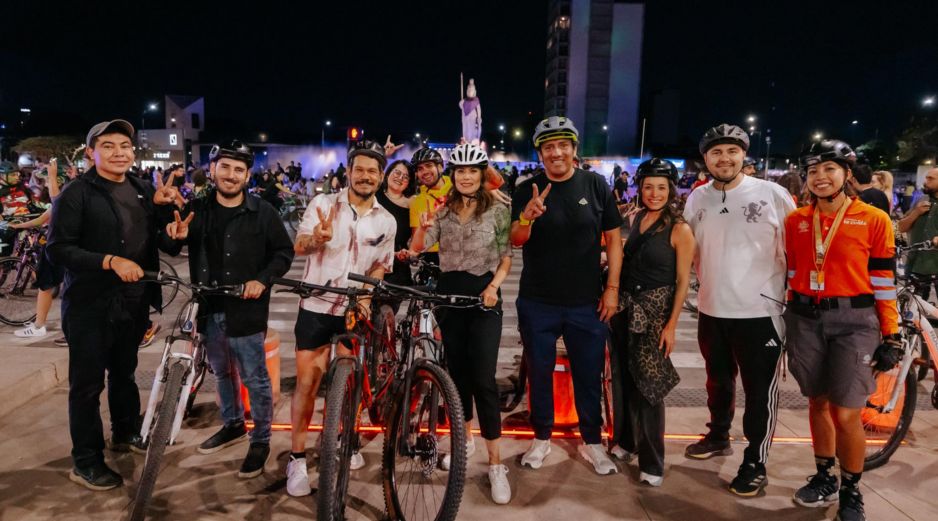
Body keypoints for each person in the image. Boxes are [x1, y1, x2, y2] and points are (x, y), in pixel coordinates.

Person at [46, 119, 178, 490]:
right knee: (87, 386)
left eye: (125, 145)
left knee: (125, 372)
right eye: (108, 146)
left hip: (133, 303)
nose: (119, 152)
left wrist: (173, 229)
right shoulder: (75, 193)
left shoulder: (141, 188)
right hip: (90, 306)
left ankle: (125, 432)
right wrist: (109, 261)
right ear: (92, 153)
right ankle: (86, 461)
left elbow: (160, 242)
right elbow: (58, 249)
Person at [164, 140, 294, 478]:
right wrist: (175, 235)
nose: (231, 175)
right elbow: (170, 244)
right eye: (225, 167)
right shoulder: (197, 208)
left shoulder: (262, 211)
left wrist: (261, 280)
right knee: (222, 372)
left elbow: (283, 253)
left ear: (247, 175)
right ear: (213, 170)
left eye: (239, 169)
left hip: (246, 309)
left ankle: (261, 439)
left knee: (254, 377)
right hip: (208, 307)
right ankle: (233, 423)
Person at [784, 139, 897, 521]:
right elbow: (793, 272)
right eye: (812, 171)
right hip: (805, 320)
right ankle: (824, 477)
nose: (820, 177)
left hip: (855, 322)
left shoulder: (873, 219)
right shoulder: (796, 221)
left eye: (829, 169)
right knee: (816, 402)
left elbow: (883, 281)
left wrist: (892, 334)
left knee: (846, 412)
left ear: (846, 174)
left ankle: (851, 491)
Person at [681, 123, 795, 496]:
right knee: (717, 381)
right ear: (705, 159)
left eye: (732, 151)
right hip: (712, 309)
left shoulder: (772, 194)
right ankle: (718, 435)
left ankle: (755, 462)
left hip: (760, 313)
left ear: (744, 154)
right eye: (716, 152)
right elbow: (688, 249)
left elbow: (794, 250)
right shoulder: (697, 198)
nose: (724, 158)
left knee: (759, 392)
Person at [510, 116, 623, 475]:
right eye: (548, 147)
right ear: (540, 153)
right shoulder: (526, 189)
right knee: (539, 372)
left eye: (562, 145)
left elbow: (614, 240)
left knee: (589, 375)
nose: (556, 152)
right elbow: (515, 240)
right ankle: (541, 437)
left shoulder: (595, 185)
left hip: (585, 302)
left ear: (574, 149)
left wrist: (612, 289)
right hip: (537, 301)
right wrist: (527, 217)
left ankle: (592, 441)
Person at [286, 140, 396, 497]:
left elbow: (380, 266)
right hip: (316, 306)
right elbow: (299, 246)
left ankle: (342, 437)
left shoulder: (387, 220)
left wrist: (365, 298)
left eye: (372, 171)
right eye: (359, 169)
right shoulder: (322, 204)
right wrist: (317, 239)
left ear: (381, 177)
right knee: (307, 384)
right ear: (348, 172)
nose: (365, 176)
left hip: (353, 310)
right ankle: (297, 458)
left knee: (349, 385)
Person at [411, 143, 512, 504]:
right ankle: (463, 441)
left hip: (484, 301)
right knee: (458, 378)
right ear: (452, 175)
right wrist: (423, 230)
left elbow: (506, 257)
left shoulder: (498, 210)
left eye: (472, 171)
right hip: (449, 301)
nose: (466, 177)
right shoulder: (442, 210)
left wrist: (493, 288)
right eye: (460, 171)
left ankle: (496, 464)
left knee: (484, 380)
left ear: (482, 174)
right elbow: (418, 246)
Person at [608, 158, 694, 487]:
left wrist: (671, 325)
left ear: (671, 190)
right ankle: (628, 442)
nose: (654, 193)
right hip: (626, 310)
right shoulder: (638, 218)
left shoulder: (680, 229)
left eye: (661, 187)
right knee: (624, 381)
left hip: (655, 315)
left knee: (649, 389)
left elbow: (683, 282)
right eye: (648, 187)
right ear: (640, 189)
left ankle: (653, 462)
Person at [12, 159, 64, 338]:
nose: (45, 184)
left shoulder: (64, 199)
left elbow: (57, 203)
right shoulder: (68, 198)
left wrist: (52, 176)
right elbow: (41, 219)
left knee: (46, 286)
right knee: (50, 286)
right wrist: (18, 226)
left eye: (47, 181)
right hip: (59, 247)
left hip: (57, 247)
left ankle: (39, 326)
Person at [897, 168, 938, 299]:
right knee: (914, 305)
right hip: (916, 264)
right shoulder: (921, 200)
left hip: (935, 262)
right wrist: (916, 213)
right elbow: (901, 228)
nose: (925, 182)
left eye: (931, 179)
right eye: (926, 178)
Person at [409, 147, 452, 267]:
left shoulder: (457, 186)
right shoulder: (417, 201)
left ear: (440, 167)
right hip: (431, 258)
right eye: (420, 169)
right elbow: (416, 244)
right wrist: (423, 229)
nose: (425, 171)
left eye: (429, 165)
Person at [376, 159, 415, 287]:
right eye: (397, 173)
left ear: (409, 183)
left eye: (405, 177)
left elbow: (415, 240)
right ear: (387, 173)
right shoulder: (374, 195)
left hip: (397, 267)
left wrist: (408, 253)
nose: (400, 178)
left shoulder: (413, 204)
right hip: (368, 259)